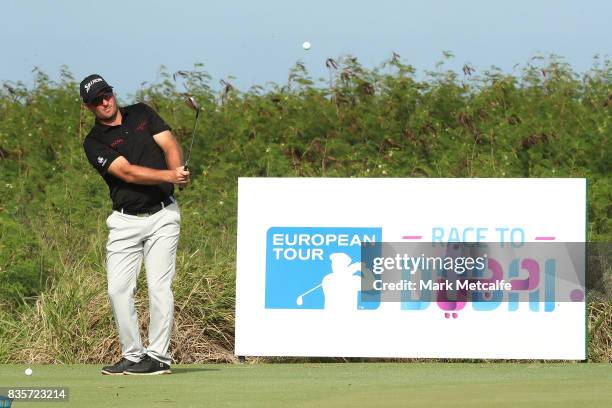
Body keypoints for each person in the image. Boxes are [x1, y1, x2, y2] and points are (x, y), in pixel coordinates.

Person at [80, 74, 189, 375]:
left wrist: (176, 169)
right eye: (97, 100)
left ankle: (158, 357)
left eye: (107, 94)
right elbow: (126, 173)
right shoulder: (94, 143)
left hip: (163, 216)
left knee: (159, 287)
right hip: (125, 221)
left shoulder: (141, 112)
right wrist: (169, 177)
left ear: (113, 93)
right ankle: (132, 354)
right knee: (117, 290)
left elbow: (168, 143)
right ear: (88, 107)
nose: (105, 102)